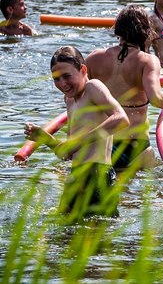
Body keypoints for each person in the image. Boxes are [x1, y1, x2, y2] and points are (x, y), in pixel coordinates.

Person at [24, 46, 129, 223]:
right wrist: (46, 139)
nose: (62, 84)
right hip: (76, 175)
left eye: (67, 76)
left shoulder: (93, 88)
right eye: (56, 79)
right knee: (63, 237)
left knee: (97, 240)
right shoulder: (70, 100)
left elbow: (121, 119)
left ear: (83, 70)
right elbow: (67, 153)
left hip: (98, 175)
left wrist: (80, 141)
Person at [86, 4, 163, 174]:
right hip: (134, 145)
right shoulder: (147, 61)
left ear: (118, 28)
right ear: (146, 31)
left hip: (101, 143)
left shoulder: (94, 57)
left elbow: (79, 96)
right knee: (148, 191)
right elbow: (156, 97)